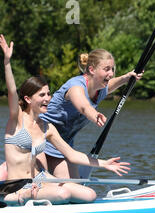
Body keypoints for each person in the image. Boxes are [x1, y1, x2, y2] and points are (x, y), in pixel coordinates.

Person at [0, 34, 130, 205]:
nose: (48, 98)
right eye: (42, 95)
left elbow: (72, 155)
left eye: (48, 94)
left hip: (38, 179)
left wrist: (104, 164)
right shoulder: (16, 120)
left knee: (89, 194)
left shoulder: (47, 127)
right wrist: (7, 62)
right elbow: (12, 91)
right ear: (28, 99)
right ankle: (20, 195)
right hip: (16, 187)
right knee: (62, 193)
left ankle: (46, 191)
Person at [39, 48, 143, 179]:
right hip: (40, 140)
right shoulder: (76, 86)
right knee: (67, 190)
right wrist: (95, 115)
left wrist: (126, 78)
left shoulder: (99, 88)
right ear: (92, 70)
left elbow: (109, 85)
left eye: (113, 69)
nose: (111, 73)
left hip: (64, 148)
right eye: (106, 69)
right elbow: (83, 106)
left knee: (76, 189)